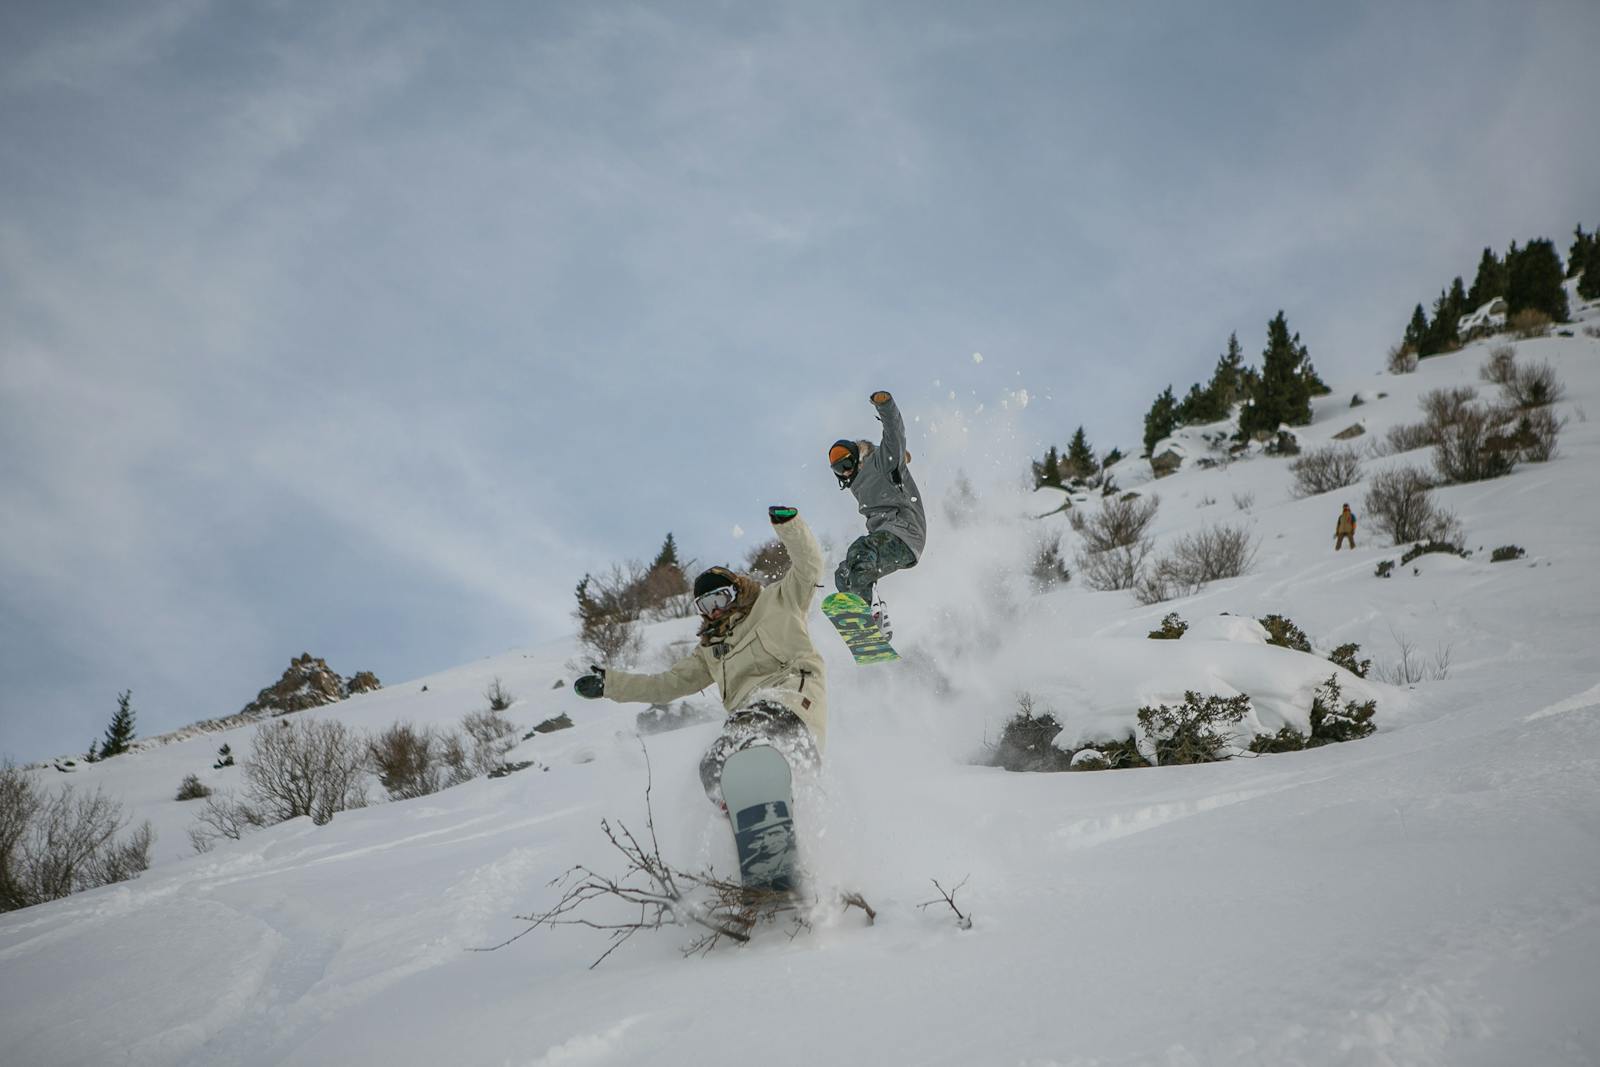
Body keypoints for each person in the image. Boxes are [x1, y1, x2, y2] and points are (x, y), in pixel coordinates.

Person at [574, 506, 827, 810]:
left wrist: (789, 526)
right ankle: (746, 820)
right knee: (713, 766)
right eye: (705, 605)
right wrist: (610, 684)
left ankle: (774, 780)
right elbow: (665, 685)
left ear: (735, 591)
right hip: (747, 716)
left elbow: (809, 566)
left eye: (720, 598)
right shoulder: (711, 648)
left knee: (751, 736)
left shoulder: (778, 600)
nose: (715, 610)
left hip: (791, 699)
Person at [828, 390, 927, 638]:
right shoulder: (857, 485)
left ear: (856, 457)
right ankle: (870, 618)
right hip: (890, 540)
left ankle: (866, 612)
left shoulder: (880, 463)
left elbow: (894, 435)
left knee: (860, 551)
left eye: (846, 465)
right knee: (843, 574)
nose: (845, 474)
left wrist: (885, 405)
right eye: (838, 471)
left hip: (905, 531)